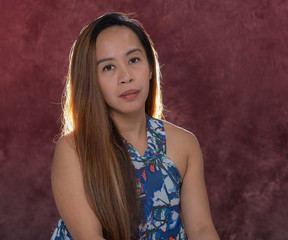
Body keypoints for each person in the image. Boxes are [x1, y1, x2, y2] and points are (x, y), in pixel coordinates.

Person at [50, 12, 219, 240]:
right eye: (108, 67)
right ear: (92, 81)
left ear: (150, 67)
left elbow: (201, 230)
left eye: (133, 60)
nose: (126, 76)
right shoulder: (73, 151)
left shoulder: (184, 144)